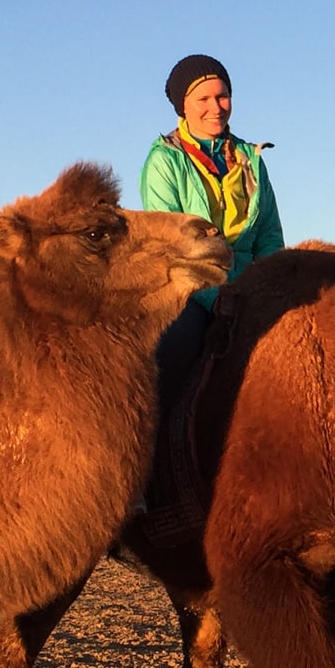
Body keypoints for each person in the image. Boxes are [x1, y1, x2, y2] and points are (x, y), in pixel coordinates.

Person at [140, 54, 284, 405]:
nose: (215, 107)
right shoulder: (164, 161)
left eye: (222, 96)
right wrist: (215, 297)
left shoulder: (250, 160)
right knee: (173, 347)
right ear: (182, 107)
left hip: (250, 289)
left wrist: (267, 289)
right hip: (191, 291)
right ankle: (159, 451)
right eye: (202, 99)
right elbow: (169, 246)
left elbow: (268, 234)